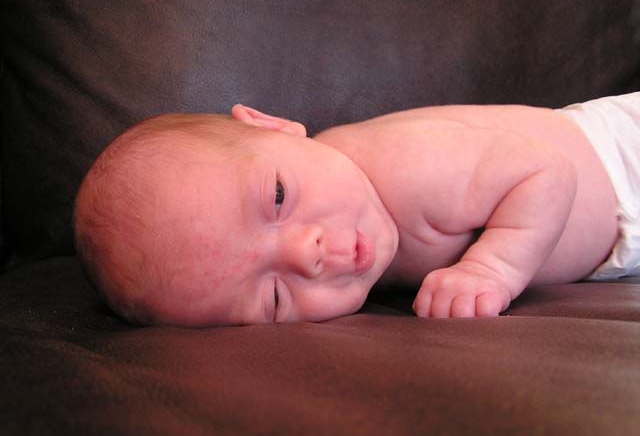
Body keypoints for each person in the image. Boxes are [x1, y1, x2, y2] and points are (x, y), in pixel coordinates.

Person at [73, 93, 640, 326]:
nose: (307, 254)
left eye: (277, 197)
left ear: (273, 126)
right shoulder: (360, 232)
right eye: (275, 297)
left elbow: (547, 172)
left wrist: (491, 269)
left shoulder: (405, 167)